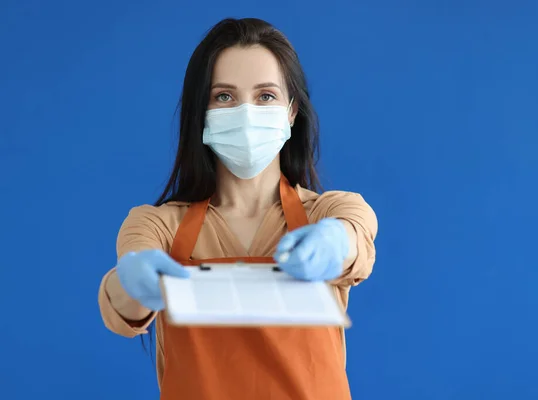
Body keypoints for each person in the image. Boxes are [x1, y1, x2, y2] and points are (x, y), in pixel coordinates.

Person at [98, 17, 378, 400]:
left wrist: (337, 242)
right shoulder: (157, 226)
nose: (246, 113)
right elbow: (121, 307)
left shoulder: (327, 213)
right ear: (202, 113)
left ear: (291, 112)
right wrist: (130, 281)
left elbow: (357, 233)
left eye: (265, 96)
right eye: (224, 97)